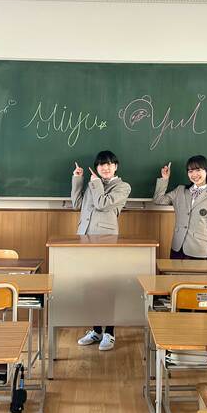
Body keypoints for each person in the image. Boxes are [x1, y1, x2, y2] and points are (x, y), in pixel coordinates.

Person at [72, 150, 131, 351]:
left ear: (116, 166)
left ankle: (110, 332)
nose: (105, 168)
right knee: (90, 287)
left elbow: (102, 203)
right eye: (101, 165)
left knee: (107, 287)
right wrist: (78, 180)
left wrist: (95, 183)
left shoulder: (123, 187)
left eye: (109, 164)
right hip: (85, 239)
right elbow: (77, 204)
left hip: (107, 241)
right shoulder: (93, 183)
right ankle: (96, 330)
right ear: (96, 167)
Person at [152, 155, 207, 260]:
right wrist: (164, 179)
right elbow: (158, 200)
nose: (194, 174)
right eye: (190, 171)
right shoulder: (180, 191)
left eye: (198, 170)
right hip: (177, 249)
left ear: (206, 171)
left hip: (200, 252)